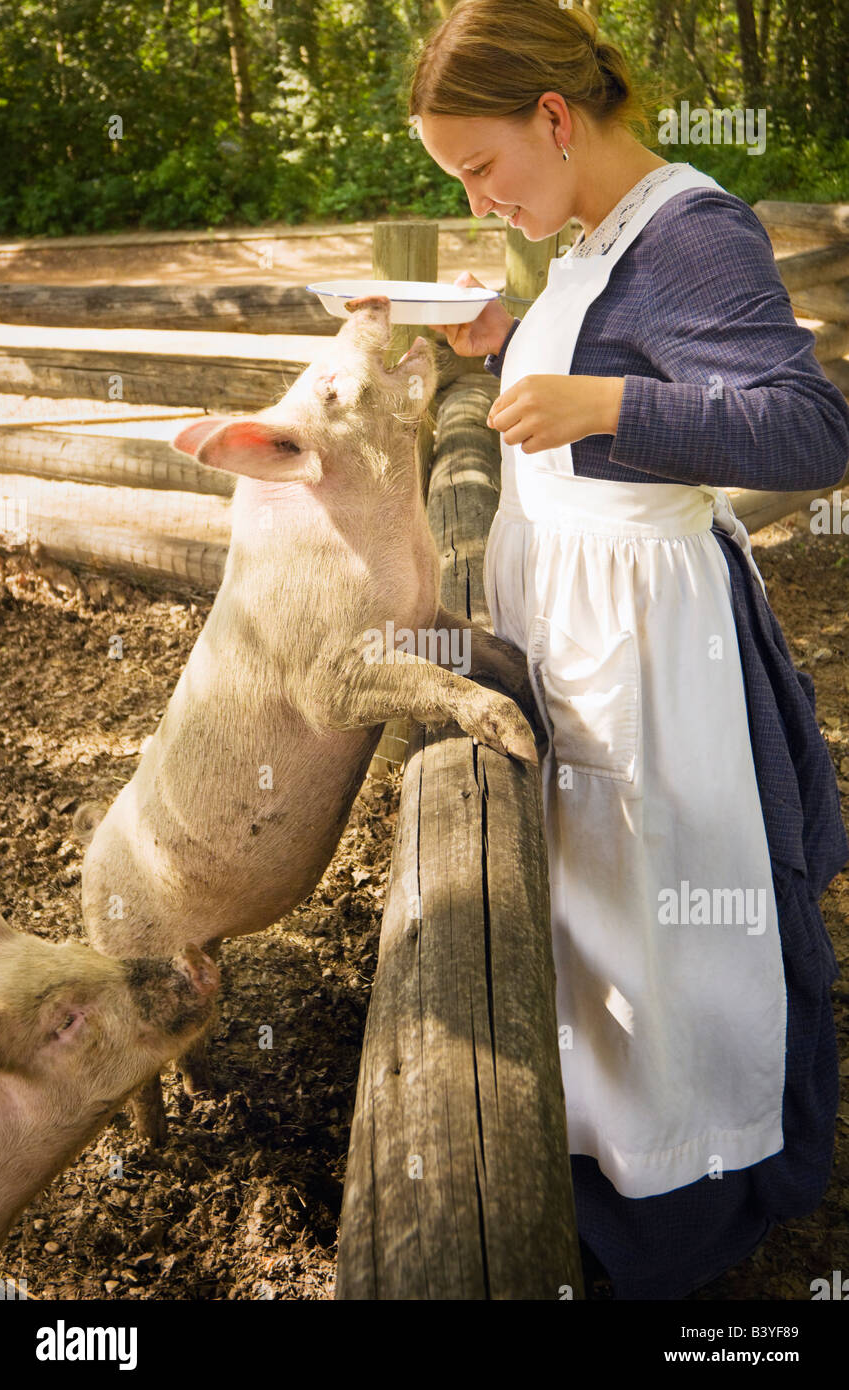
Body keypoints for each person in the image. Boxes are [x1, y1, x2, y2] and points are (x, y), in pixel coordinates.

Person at [408, 0, 849, 1300]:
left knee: (679, 938)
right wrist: (510, 345)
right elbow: (621, 347)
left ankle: (704, 1209)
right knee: (615, 933)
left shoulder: (695, 229)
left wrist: (606, 401)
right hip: (597, 647)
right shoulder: (599, 237)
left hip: (664, 670)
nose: (481, 200)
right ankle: (631, 1184)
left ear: (553, 118)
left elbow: (810, 433)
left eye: (482, 167)